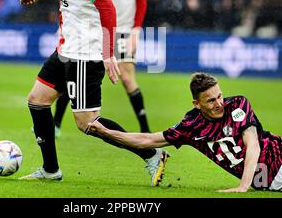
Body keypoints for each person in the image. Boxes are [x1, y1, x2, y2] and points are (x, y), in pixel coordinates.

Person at [19, 0, 168, 186]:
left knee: (88, 123)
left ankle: (152, 153)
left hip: (85, 57)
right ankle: (50, 170)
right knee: (37, 100)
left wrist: (109, 53)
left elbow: (107, 7)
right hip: (65, 51)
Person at [28, 0, 152, 137]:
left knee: (124, 79)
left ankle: (144, 137)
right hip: (81, 36)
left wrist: (134, 30)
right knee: (44, 95)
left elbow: (131, 1)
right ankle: (54, 133)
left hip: (117, 29)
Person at [87, 72, 282, 192]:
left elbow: (253, 145)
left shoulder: (238, 105)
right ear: (197, 104)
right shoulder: (191, 127)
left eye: (219, 96)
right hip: (266, 181)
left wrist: (243, 186)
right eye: (211, 101)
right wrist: (106, 132)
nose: (219, 104)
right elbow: (145, 140)